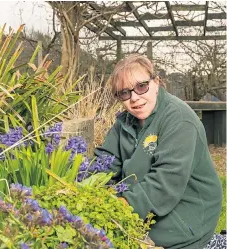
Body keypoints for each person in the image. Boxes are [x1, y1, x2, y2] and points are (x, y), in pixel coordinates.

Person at [94, 54, 224, 249]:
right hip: (144, 208)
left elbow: (164, 184)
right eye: (124, 93)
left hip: (186, 216)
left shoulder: (179, 120)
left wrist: (117, 207)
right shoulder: (125, 121)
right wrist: (83, 185)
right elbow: (105, 160)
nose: (134, 98)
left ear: (156, 82)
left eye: (141, 86)